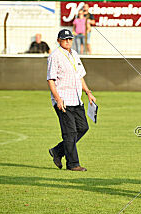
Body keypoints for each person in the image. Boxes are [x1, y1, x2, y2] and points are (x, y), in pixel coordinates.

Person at [47, 29, 96, 171]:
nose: (68, 41)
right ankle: (73, 164)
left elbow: (79, 75)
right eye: (65, 39)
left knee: (83, 127)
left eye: (70, 39)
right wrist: (58, 99)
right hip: (63, 100)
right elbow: (50, 79)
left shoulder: (74, 54)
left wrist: (88, 92)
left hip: (76, 99)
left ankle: (57, 151)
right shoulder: (54, 56)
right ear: (58, 40)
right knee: (69, 133)